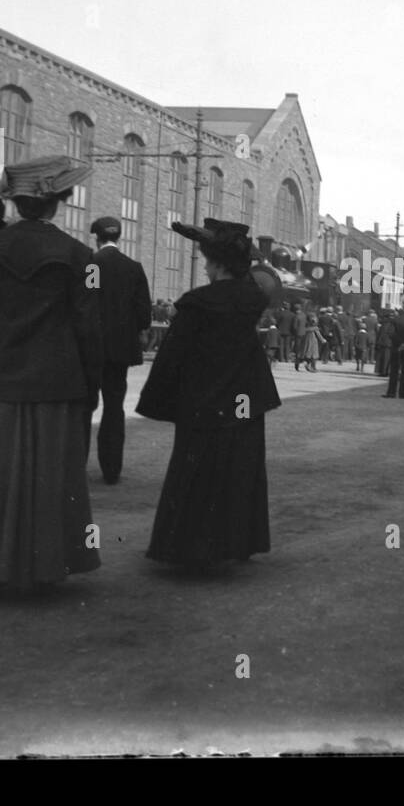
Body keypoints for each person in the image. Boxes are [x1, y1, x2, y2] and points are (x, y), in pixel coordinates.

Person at [0, 154, 102, 600]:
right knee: (49, 475)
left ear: (18, 202)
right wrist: (90, 386)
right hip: (54, 381)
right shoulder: (82, 256)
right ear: (59, 203)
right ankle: (45, 569)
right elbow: (88, 324)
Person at [138, 219, 281, 571]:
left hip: (203, 397)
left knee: (197, 470)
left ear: (216, 263)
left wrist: (160, 399)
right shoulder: (253, 299)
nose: (203, 265)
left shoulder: (196, 302)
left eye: (207, 259)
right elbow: (249, 280)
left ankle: (191, 548)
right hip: (244, 395)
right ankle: (239, 542)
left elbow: (174, 355)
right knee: (241, 466)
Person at [85, 215, 152, 485]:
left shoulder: (92, 266)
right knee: (114, 408)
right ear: (118, 237)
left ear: (97, 237)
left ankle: (76, 467)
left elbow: (84, 303)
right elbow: (144, 314)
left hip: (91, 349)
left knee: (85, 407)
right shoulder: (133, 268)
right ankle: (111, 470)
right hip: (120, 352)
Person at [374, 310, 394, 377]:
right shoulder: (392, 323)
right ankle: (386, 371)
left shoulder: (385, 323)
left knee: (383, 358)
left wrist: (378, 342)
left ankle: (383, 372)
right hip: (389, 343)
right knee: (387, 358)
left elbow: (381, 334)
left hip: (384, 343)